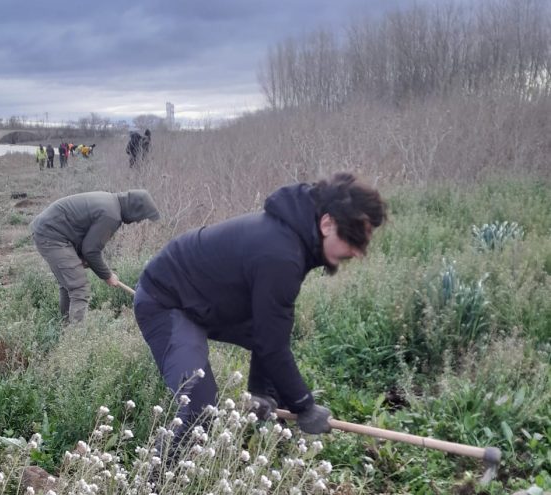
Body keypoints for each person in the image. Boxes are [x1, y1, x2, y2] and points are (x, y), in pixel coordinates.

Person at [134, 173, 387, 455]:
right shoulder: (281, 254)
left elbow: (271, 328)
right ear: (327, 223)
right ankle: (151, 488)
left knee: (273, 330)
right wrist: (304, 406)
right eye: (353, 240)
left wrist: (263, 390)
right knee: (199, 408)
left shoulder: (295, 237)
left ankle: (261, 397)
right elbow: (272, 345)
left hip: (204, 299)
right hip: (166, 302)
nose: (357, 252)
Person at [30, 191, 161, 324]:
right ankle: (76, 337)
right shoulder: (111, 215)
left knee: (69, 283)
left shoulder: (111, 203)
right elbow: (91, 251)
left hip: (51, 231)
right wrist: (108, 276)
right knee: (78, 287)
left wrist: (82, 257)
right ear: (135, 210)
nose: (138, 221)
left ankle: (66, 329)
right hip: (52, 235)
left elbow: (85, 242)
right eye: (140, 217)